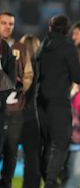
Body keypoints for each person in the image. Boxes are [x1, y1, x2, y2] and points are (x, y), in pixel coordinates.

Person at [37, 15, 80, 188]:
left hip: (39, 102)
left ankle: (48, 180)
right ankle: (50, 183)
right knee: (61, 143)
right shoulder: (68, 48)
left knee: (46, 144)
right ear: (67, 29)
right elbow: (78, 77)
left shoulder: (42, 47)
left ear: (50, 28)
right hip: (58, 103)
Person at [0, 11, 27, 188]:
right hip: (4, 107)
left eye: (10, 24)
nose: (7, 26)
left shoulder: (17, 47)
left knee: (11, 151)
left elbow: (13, 79)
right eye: (4, 23)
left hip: (13, 109)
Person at [19, 34, 41, 188]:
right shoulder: (44, 70)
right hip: (38, 120)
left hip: (18, 119)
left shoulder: (14, 68)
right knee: (34, 159)